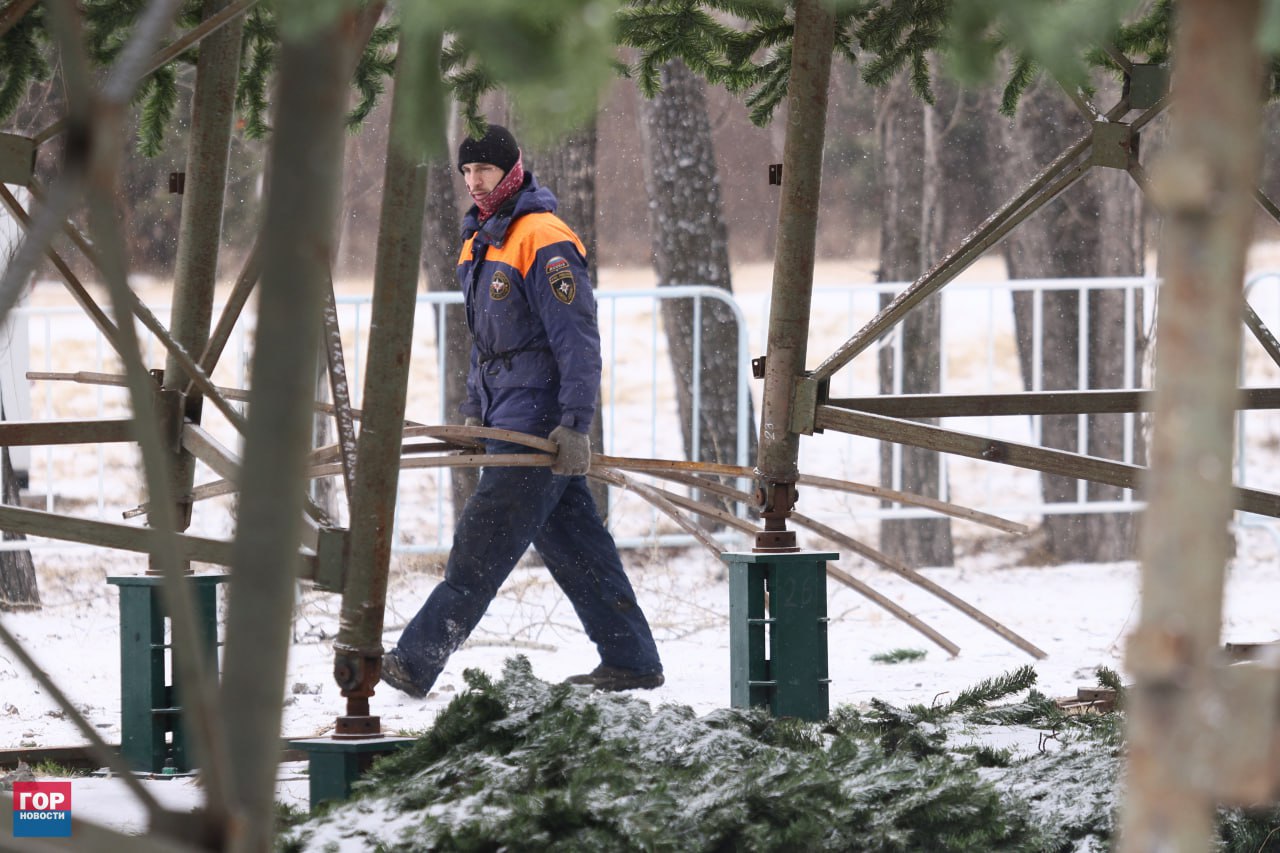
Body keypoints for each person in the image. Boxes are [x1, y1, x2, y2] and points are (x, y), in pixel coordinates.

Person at [381, 124, 664, 697]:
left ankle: (415, 660)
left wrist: (575, 424)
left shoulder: (543, 236)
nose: (473, 181)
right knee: (578, 547)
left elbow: (577, 340)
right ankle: (631, 659)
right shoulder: (479, 240)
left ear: (511, 169)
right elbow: (484, 343)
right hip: (504, 414)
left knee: (481, 546)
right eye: (465, 172)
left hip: (538, 423)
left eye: (483, 170)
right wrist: (471, 414)